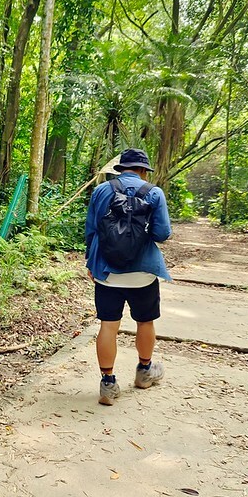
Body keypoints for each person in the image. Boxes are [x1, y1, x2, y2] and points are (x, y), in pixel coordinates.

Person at [84, 148, 171, 406]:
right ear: (144, 171)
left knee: (108, 325)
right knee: (145, 322)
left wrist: (92, 260)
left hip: (107, 272)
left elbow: (91, 229)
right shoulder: (154, 193)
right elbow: (162, 233)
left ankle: (108, 384)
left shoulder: (101, 191)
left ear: (121, 169)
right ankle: (145, 371)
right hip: (143, 273)